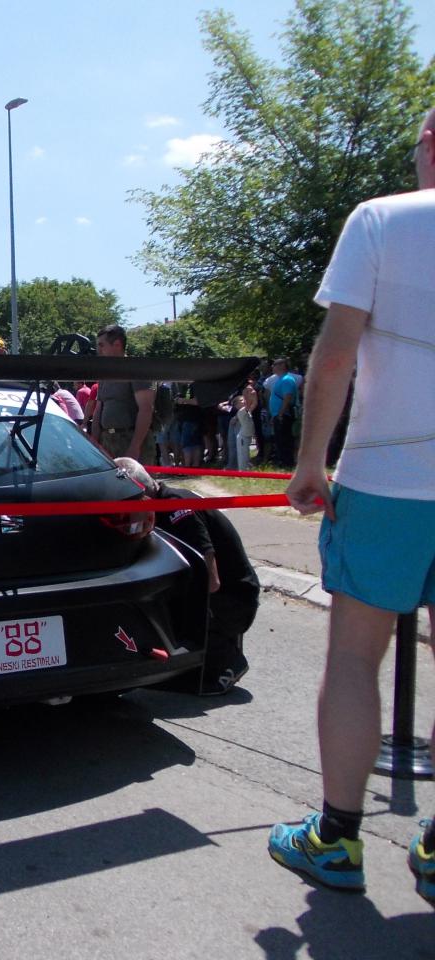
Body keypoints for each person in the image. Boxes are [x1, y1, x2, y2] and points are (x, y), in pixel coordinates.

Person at [267, 107, 435, 901]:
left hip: (386, 483)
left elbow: (335, 354)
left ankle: (336, 837)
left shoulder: (381, 221)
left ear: (430, 144)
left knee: (354, 658)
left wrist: (310, 460)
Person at [114, 458, 259, 694]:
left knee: (163, 601)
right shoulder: (162, 506)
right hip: (223, 596)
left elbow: (210, 581)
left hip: (233, 599)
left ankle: (226, 661)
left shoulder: (177, 510)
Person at [88, 325, 154, 462]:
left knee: (136, 477)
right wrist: (95, 442)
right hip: (106, 440)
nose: (98, 350)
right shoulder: (105, 373)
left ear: (117, 344)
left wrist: (135, 447)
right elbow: (99, 409)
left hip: (129, 438)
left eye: (101, 345)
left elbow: (146, 409)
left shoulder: (138, 369)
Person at [267, 358, 299, 467]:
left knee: (285, 439)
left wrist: (281, 413)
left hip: (284, 415)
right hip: (278, 415)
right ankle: (282, 461)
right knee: (279, 439)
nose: (272, 367)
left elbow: (287, 397)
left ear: (282, 366)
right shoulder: (280, 380)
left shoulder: (287, 380)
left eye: (275, 364)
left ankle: (287, 463)